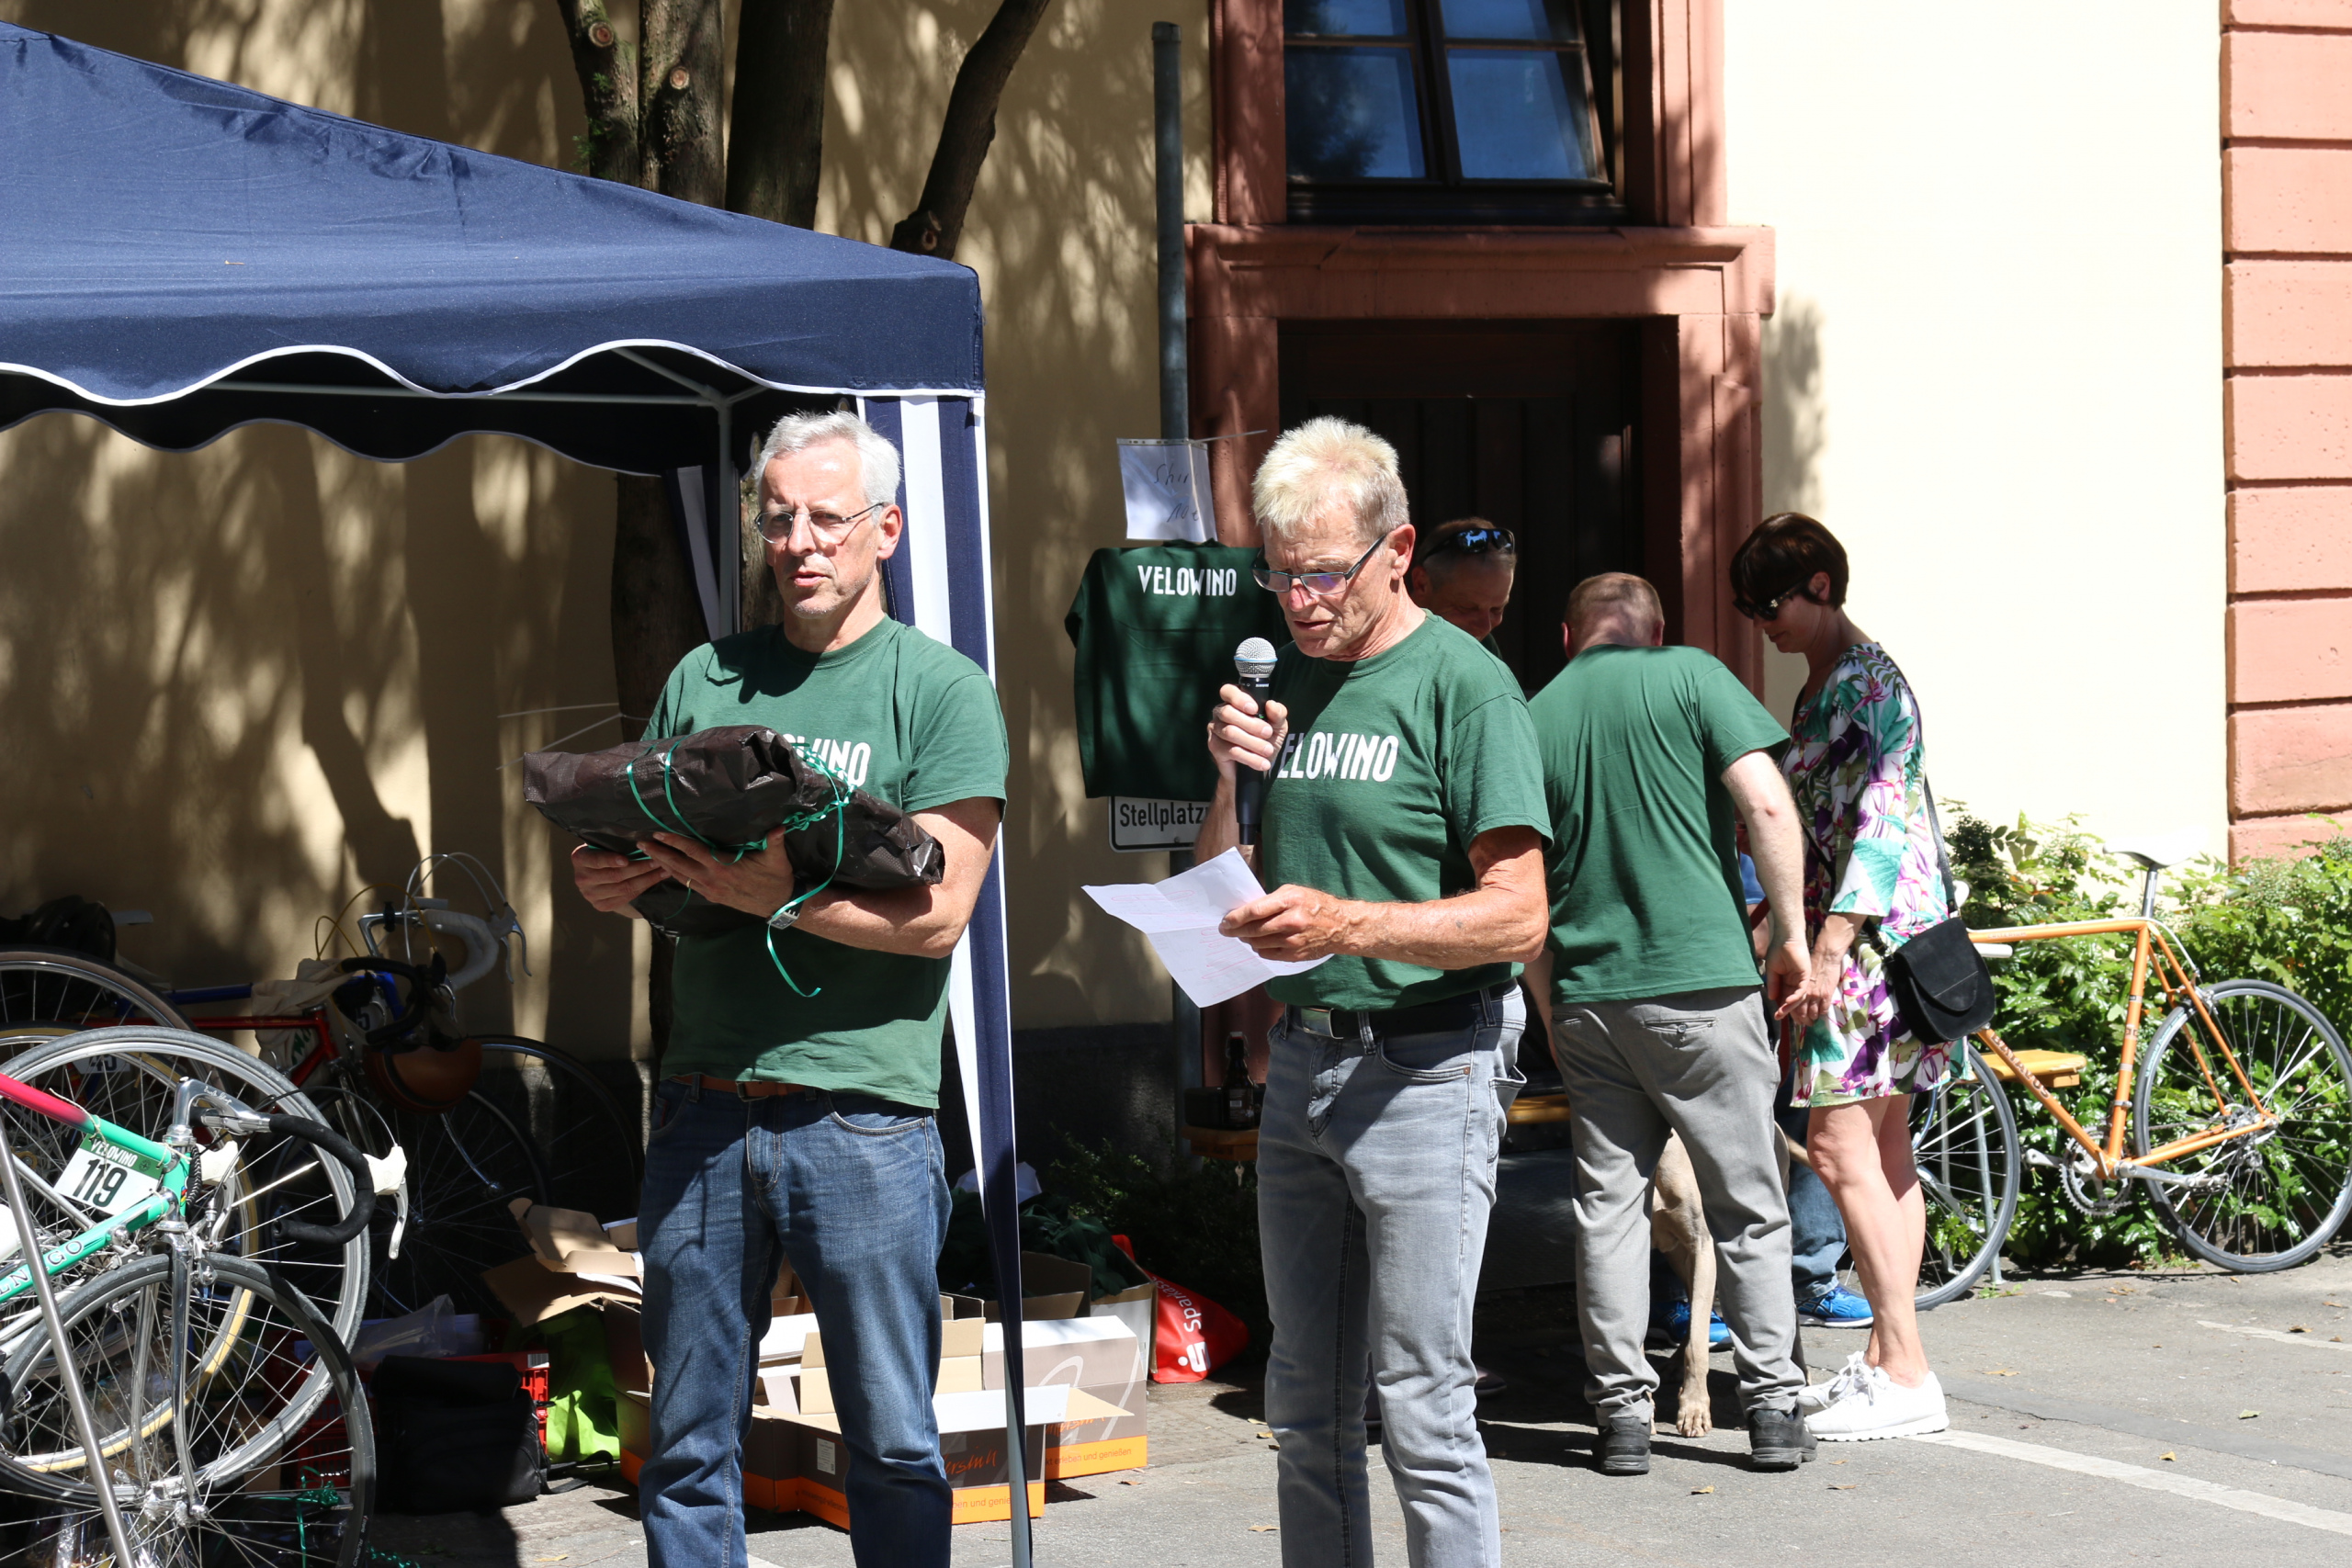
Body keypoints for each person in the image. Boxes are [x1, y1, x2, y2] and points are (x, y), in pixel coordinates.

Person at [571, 412, 1008, 1567]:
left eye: (826, 518)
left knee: (893, 1439)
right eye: (777, 520)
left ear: (886, 531)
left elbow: (941, 916)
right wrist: (614, 877)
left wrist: (774, 896)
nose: (799, 543)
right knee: (685, 1444)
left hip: (863, 1117)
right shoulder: (706, 677)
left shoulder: (941, 691)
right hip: (704, 1106)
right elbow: (658, 847)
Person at [1200, 417, 1549, 1566]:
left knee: (1423, 1406)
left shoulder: (1466, 687)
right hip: (1305, 1056)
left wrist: (1348, 924)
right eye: (1278, 575)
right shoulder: (1288, 680)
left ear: (1397, 550)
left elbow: (1518, 914)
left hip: (1428, 1064)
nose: (1298, 602)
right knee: (1302, 1404)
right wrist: (1227, 779)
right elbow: (1229, 884)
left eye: (1320, 575)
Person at [1523, 571, 1828, 1475]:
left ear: (1569, 635)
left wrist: (1549, 1004)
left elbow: (1517, 882)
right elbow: (1765, 802)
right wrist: (1791, 935)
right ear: (1654, 630)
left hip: (1588, 995)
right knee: (1747, 1203)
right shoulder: (1692, 675)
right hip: (1702, 986)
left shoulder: (1532, 715)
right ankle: (1771, 1409)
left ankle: (1621, 1417)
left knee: (1609, 1215)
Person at [1730, 511, 1955, 1441]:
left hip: (1868, 947)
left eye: (1769, 604)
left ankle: (1905, 1370)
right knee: (1885, 1151)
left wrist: (1826, 948)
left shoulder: (1865, 682)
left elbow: (1881, 822)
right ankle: (1885, 1362)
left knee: (1833, 1148)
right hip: (1885, 940)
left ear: (1819, 586)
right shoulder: (1827, 682)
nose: (1760, 623)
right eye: (1748, 609)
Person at [1407, 517, 1517, 653]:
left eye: (1496, 610)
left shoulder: (1485, 646)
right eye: (1467, 608)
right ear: (1421, 584)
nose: (1485, 627)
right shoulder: (1385, 647)